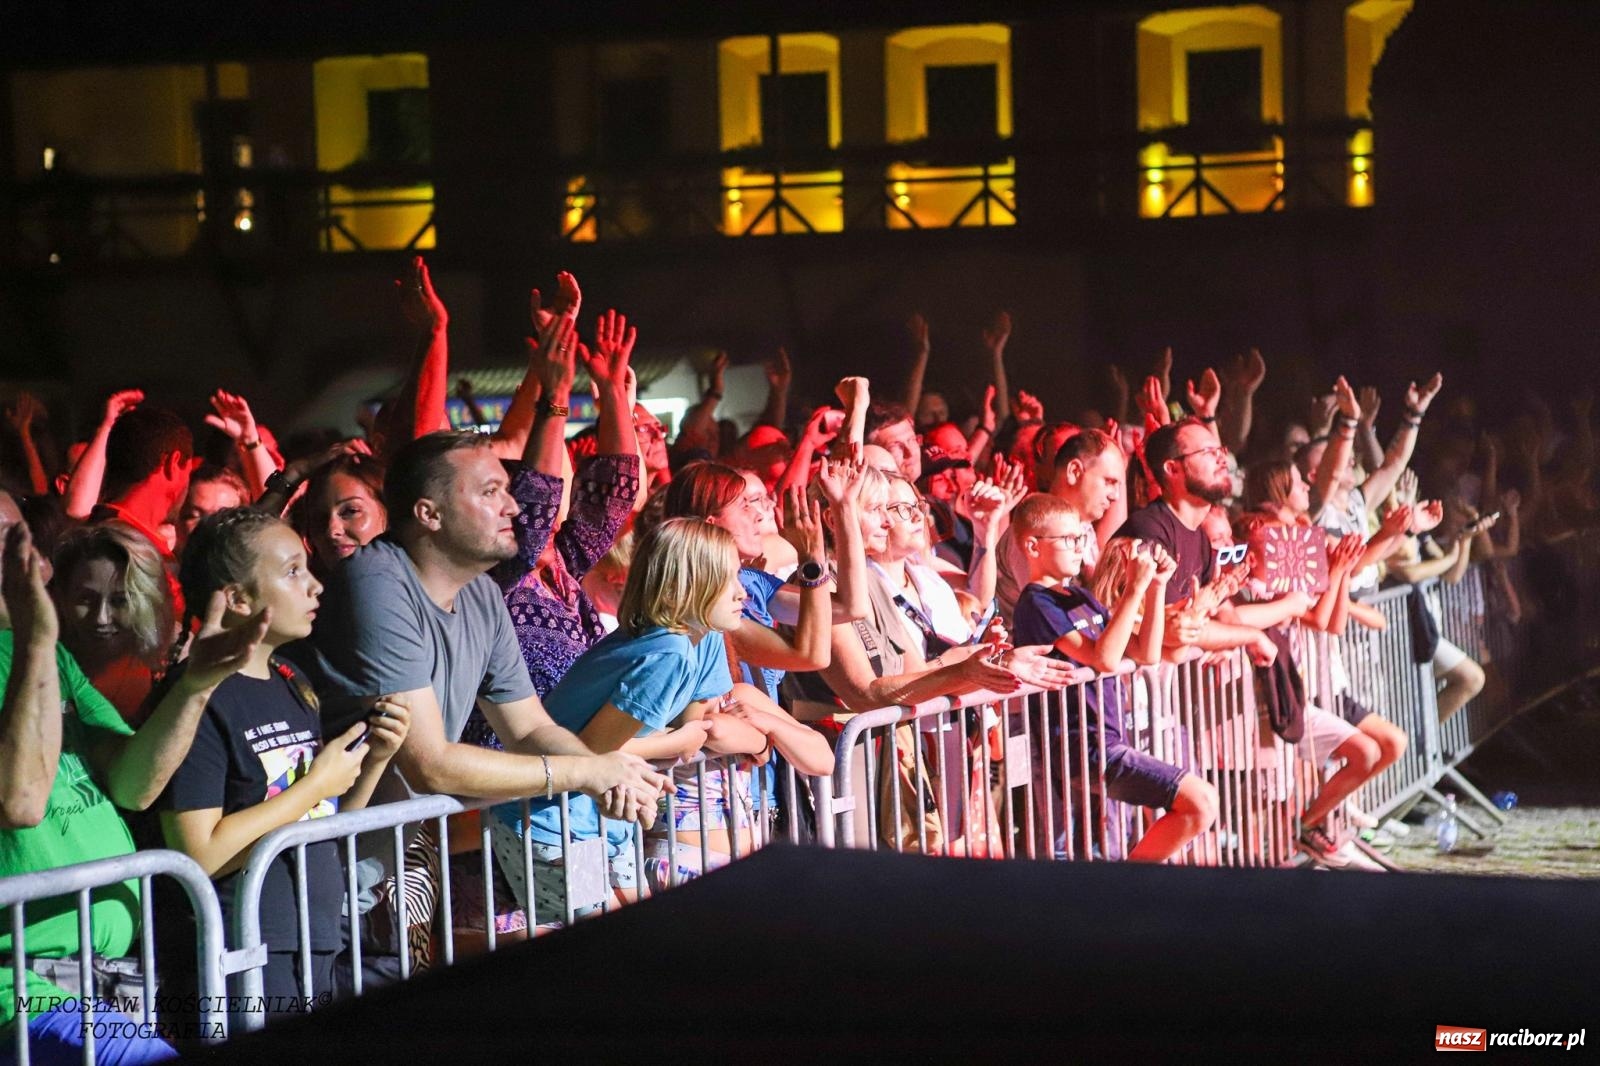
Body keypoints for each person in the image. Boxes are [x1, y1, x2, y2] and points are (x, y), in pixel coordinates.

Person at [296, 429, 667, 869]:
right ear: (429, 513)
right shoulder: (374, 584)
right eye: (491, 492)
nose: (512, 507)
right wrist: (586, 773)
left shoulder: (482, 594)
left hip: (369, 858)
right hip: (310, 864)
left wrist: (608, 774)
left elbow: (527, 729)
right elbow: (430, 764)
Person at [0, 494, 269, 1064]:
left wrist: (194, 687)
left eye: (21, 538)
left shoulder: (49, 657)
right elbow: (20, 801)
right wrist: (35, 640)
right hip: (19, 986)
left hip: (101, 978)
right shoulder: (36, 646)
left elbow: (132, 784)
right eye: (6, 541)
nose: (28, 560)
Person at [489, 519, 832, 913]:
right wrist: (675, 743)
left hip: (603, 821)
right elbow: (590, 753)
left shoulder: (701, 635)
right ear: (686, 586)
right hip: (557, 824)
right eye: (727, 580)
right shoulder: (667, 653)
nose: (742, 592)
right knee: (601, 944)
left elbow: (698, 723)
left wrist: (689, 737)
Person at [159, 509, 410, 1021]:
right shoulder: (197, 697)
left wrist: (375, 759)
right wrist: (313, 785)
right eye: (293, 571)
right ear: (238, 599)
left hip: (316, 937)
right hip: (245, 952)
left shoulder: (293, 680)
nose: (316, 585)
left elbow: (323, 823)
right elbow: (199, 853)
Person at [1010, 493, 1218, 862]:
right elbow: (1103, 659)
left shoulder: (1080, 597)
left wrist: (1155, 586)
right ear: (1033, 546)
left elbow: (1146, 653)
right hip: (1081, 747)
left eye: (1082, 537)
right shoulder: (1036, 602)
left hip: (1108, 739)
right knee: (1199, 801)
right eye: (1069, 539)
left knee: (1195, 805)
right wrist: (1133, 588)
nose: (1080, 546)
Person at [50, 522, 175, 725]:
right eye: (86, 599)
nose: (102, 618)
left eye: (120, 601)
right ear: (62, 596)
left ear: (149, 600)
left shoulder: (174, 658)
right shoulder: (34, 658)